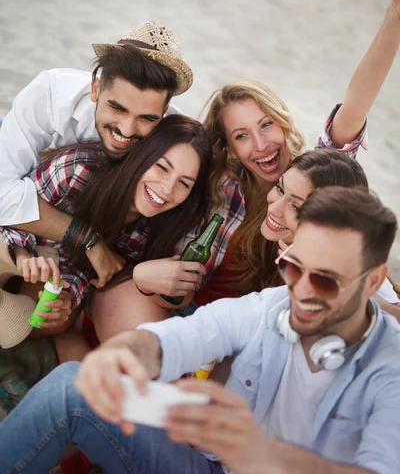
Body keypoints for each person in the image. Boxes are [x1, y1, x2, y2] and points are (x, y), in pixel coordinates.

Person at [1, 186, 400, 474]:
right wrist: (118, 355)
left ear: (372, 281)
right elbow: (182, 337)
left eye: (326, 281)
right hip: (205, 466)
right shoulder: (272, 306)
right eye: (293, 268)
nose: (301, 292)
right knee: (74, 383)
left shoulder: (391, 369)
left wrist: (260, 453)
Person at [189, 0, 400, 300]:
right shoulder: (220, 184)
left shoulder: (316, 175)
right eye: (242, 136)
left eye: (266, 124)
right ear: (230, 148)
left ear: (283, 121)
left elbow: (354, 107)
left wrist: (394, 20)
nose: (261, 144)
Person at [0, 22, 193, 287]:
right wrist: (87, 239)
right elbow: (2, 192)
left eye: (147, 118)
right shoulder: (47, 94)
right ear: (95, 88)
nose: (126, 130)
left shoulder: (173, 134)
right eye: (117, 108)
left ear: (165, 110)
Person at [0, 115, 211, 353]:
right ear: (142, 155)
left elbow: (84, 274)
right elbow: (10, 209)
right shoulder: (78, 170)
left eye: (184, 183)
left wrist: (67, 302)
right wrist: (23, 254)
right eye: (162, 167)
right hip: (12, 249)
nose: (167, 188)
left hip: (43, 282)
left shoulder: (162, 228)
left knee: (54, 317)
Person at [196, 149, 400, 308]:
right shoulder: (273, 243)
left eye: (295, 206)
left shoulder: (353, 270)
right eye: (280, 188)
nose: (274, 208)